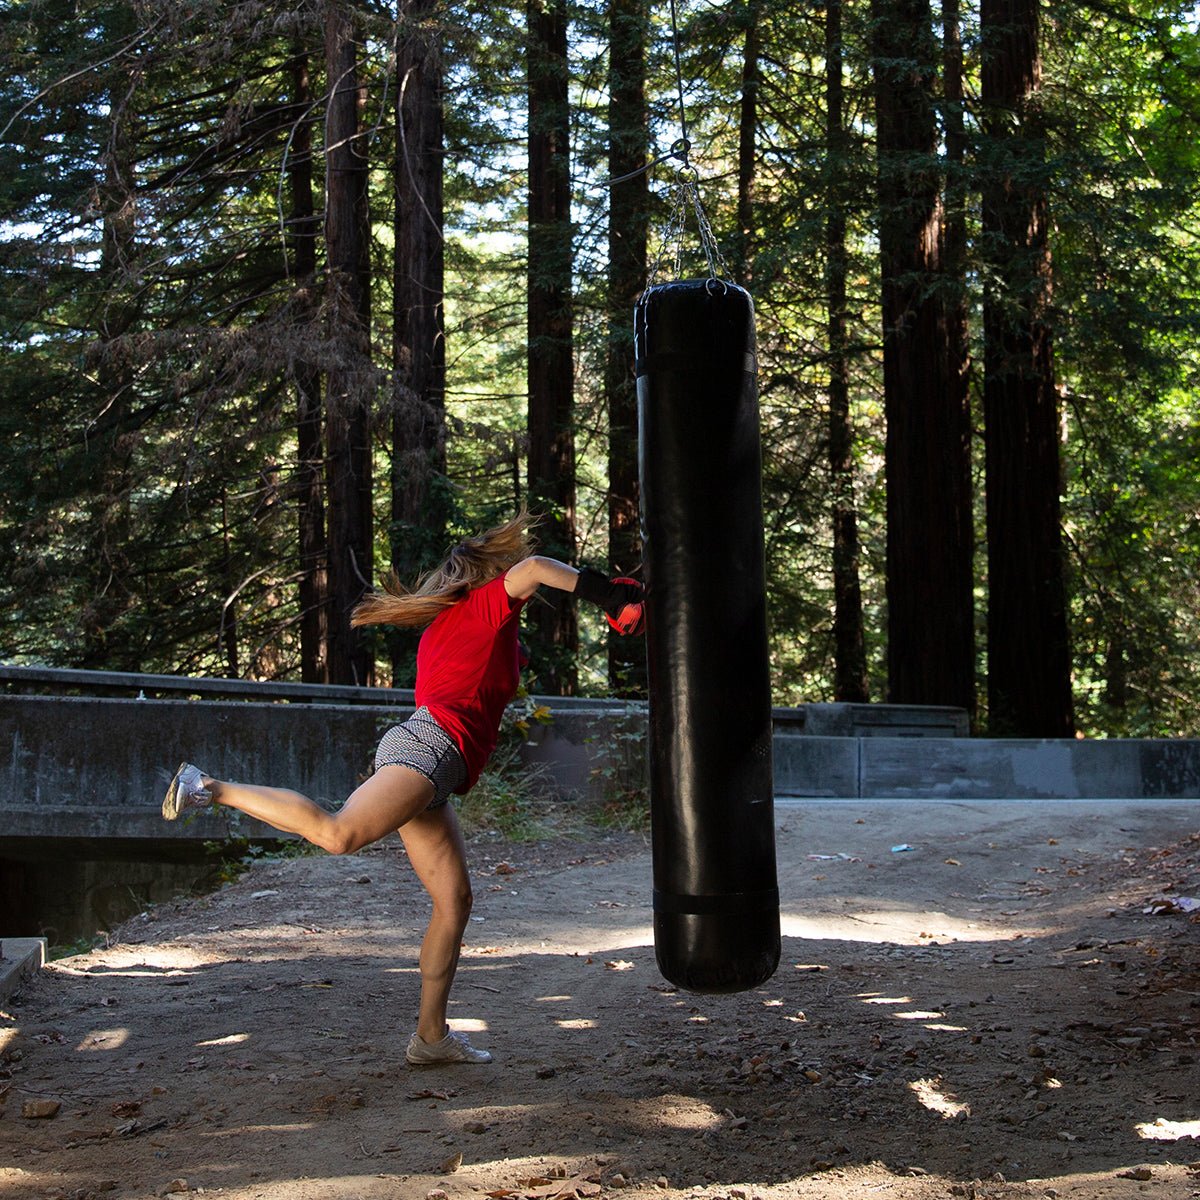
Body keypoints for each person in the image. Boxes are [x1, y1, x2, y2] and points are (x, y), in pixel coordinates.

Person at [160, 512, 644, 1066]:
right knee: (339, 834)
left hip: (433, 762)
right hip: (429, 750)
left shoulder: (456, 624)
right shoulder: (485, 604)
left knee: (454, 901)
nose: (519, 578)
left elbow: (480, 670)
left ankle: (430, 1038)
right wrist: (609, 594)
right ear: (489, 576)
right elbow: (536, 568)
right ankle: (208, 787)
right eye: (505, 572)